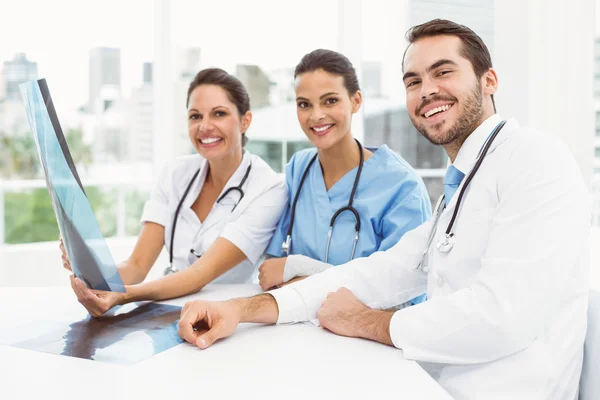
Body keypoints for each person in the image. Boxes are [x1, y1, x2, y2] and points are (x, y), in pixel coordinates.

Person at [177, 20, 591, 399]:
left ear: (490, 80)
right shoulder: (461, 186)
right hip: (431, 383)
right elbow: (378, 272)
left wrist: (368, 323)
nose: (426, 89)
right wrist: (240, 310)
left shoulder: (536, 160)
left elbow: (501, 317)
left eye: (443, 72)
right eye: (413, 81)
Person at [60, 68, 287, 317]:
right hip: (167, 309)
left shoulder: (268, 188)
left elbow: (199, 274)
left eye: (219, 114)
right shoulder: (176, 174)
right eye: (195, 116)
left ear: (245, 121)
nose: (205, 126)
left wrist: (124, 296)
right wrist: (91, 271)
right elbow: (137, 266)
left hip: (224, 318)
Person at [257, 49, 431, 303]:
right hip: (296, 330)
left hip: (367, 339)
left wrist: (299, 267)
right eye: (304, 104)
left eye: (330, 101)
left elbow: (401, 296)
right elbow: (270, 272)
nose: (316, 115)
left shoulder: (401, 187)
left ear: (356, 101)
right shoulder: (299, 168)